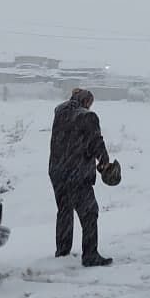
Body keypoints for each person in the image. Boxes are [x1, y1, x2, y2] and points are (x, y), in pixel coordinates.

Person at [48, 89, 113, 266]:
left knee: (64, 212)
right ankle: (90, 255)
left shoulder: (59, 112)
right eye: (90, 103)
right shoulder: (87, 117)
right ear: (86, 102)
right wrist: (105, 162)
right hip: (77, 174)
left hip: (57, 172)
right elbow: (96, 142)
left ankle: (62, 252)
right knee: (89, 213)